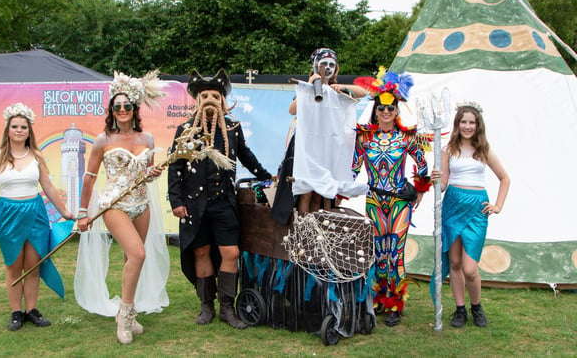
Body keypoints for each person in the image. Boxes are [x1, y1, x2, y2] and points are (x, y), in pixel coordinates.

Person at [168, 69, 272, 329]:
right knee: (201, 251)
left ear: (222, 99)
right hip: (193, 204)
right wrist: (176, 201)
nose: (211, 99)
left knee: (231, 251)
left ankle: (227, 307)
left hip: (224, 202)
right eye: (205, 95)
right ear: (198, 99)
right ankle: (207, 307)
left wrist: (267, 176)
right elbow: (175, 167)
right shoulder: (185, 130)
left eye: (216, 95)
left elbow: (245, 155)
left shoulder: (233, 129)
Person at [0, 103, 74, 331]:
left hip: (35, 214)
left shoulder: (36, 156)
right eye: (15, 126)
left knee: (33, 265)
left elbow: (49, 187)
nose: (19, 130)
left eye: (23, 126)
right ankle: (16, 312)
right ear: (8, 129)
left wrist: (64, 212)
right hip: (9, 215)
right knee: (13, 265)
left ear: (29, 131)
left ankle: (31, 310)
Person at [75, 71, 170, 345]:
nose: (122, 110)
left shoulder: (147, 139)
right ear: (111, 111)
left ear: (134, 108)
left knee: (132, 260)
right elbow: (90, 177)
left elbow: (147, 172)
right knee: (139, 254)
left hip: (141, 204)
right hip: (114, 204)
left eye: (127, 106)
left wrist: (153, 173)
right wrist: (83, 213)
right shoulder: (103, 141)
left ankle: (128, 311)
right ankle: (125, 316)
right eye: (117, 107)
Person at [351, 68, 432, 327]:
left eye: (391, 108)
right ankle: (378, 299)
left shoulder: (407, 137)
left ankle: (395, 303)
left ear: (397, 111)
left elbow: (422, 164)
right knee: (377, 251)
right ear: (375, 110)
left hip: (398, 202)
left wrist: (419, 189)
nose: (386, 112)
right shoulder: (364, 138)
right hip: (374, 201)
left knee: (395, 252)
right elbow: (351, 168)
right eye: (381, 108)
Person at [431, 101, 509, 328]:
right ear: (457, 124)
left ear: (478, 125)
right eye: (463, 122)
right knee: (454, 262)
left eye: (471, 122)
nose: (467, 126)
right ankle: (460, 310)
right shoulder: (448, 150)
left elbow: (505, 178)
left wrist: (497, 206)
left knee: (470, 268)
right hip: (453, 205)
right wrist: (436, 179)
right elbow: (444, 184)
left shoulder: (484, 151)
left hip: (476, 208)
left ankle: (476, 306)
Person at [272, 48, 365, 223]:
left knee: (321, 193)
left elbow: (363, 92)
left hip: (327, 145)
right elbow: (292, 109)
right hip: (307, 144)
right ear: (315, 66)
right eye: (324, 64)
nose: (327, 68)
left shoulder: (336, 90)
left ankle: (319, 231)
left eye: (331, 64)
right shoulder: (306, 88)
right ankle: (303, 230)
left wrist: (343, 87)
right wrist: (310, 87)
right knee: (305, 190)